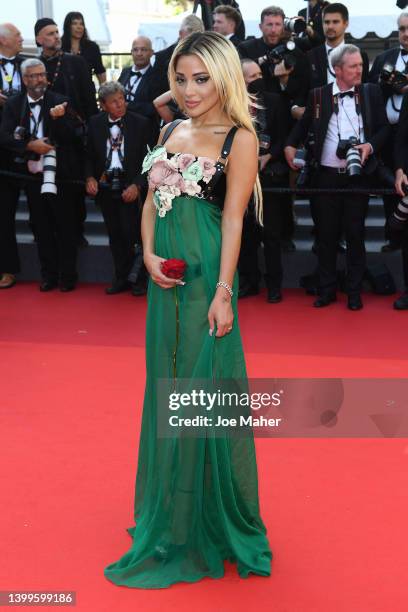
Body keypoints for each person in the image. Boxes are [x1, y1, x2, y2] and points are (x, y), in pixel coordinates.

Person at [104, 31, 272, 588]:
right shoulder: (171, 127)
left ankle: (208, 517)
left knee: (202, 390)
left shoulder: (239, 139)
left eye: (201, 78)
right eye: (181, 78)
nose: (189, 89)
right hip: (165, 277)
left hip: (206, 276)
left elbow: (231, 220)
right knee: (168, 384)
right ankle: (172, 511)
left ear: (222, 75)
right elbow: (152, 198)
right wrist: (147, 253)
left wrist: (225, 292)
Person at [285, 44, 390, 311]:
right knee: (326, 237)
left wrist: (370, 146)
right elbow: (303, 125)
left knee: (356, 235)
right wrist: (289, 146)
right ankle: (327, 290)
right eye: (354, 66)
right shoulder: (318, 95)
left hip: (358, 177)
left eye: (360, 65)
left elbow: (384, 130)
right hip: (325, 177)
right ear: (338, 69)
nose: (360, 70)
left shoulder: (371, 92)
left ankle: (354, 293)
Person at [0, 58, 83, 291]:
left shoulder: (61, 101)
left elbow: (74, 137)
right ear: (25, 79)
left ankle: (68, 277)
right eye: (33, 76)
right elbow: (4, 136)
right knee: (41, 227)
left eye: (42, 75)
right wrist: (29, 145)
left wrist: (58, 120)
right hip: (31, 176)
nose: (39, 80)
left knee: (65, 227)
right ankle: (48, 276)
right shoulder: (14, 104)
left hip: (61, 175)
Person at [85, 82, 152, 296]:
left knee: (133, 234)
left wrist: (137, 184)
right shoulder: (94, 123)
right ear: (103, 105)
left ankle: (139, 279)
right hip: (106, 186)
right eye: (114, 101)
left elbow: (151, 160)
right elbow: (87, 155)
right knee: (115, 235)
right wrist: (89, 178)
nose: (120, 104)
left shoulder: (140, 123)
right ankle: (121, 277)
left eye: (122, 98)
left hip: (131, 185)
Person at [35, 17, 96, 248]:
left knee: (74, 189)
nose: (56, 36)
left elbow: (89, 100)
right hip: (44, 137)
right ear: (39, 39)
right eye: (50, 34)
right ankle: (46, 231)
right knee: (43, 188)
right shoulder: (33, 67)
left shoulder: (76, 63)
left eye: (57, 32)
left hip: (73, 136)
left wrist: (91, 131)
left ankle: (76, 231)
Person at [238, 59, 291, 302]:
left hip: (269, 177)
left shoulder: (274, 101)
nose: (258, 79)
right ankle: (249, 281)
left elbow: (284, 137)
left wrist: (270, 155)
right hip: (240, 180)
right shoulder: (231, 105)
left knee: (271, 234)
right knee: (245, 235)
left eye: (260, 74)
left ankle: (274, 285)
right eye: (252, 76)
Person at [370, 11, 408, 253]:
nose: (406, 34)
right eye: (402, 29)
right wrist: (388, 84)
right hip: (387, 132)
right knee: (388, 185)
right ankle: (392, 236)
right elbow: (372, 92)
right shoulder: (385, 56)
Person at [0, 22, 25, 289]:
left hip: (26, 146)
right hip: (0, 150)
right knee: (2, 216)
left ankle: (52, 270)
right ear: (3, 40)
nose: (21, 39)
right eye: (17, 35)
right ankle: (7, 270)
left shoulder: (30, 64)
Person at [61, 11, 106, 85]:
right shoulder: (60, 46)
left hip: (87, 90)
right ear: (67, 26)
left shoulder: (92, 47)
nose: (79, 27)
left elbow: (100, 72)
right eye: (74, 23)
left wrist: (103, 93)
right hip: (65, 90)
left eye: (81, 24)